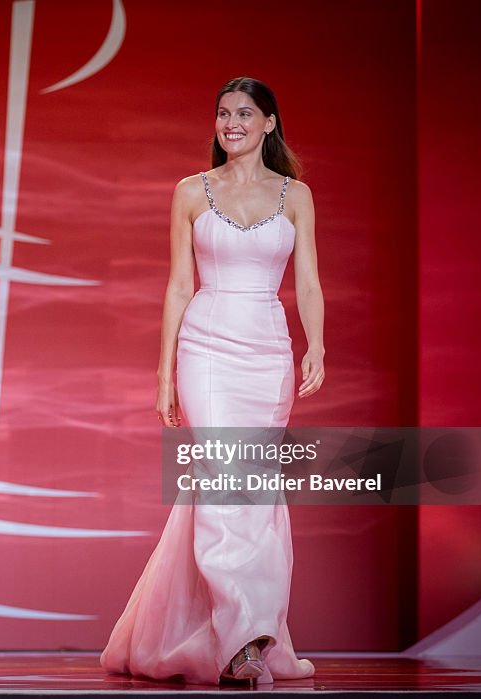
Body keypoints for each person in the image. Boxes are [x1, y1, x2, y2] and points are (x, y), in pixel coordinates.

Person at [100, 77, 325, 685]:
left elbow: (306, 282)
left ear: (269, 124)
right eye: (224, 113)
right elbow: (178, 283)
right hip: (206, 347)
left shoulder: (296, 195)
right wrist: (163, 370)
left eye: (245, 113)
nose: (232, 123)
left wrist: (317, 345)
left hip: (267, 349)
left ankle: (248, 632)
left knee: (250, 490)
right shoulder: (191, 193)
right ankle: (241, 643)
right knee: (225, 478)